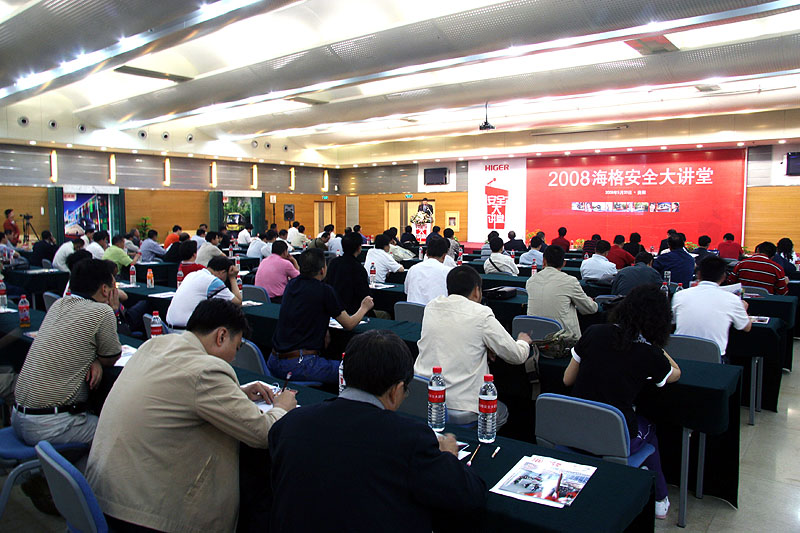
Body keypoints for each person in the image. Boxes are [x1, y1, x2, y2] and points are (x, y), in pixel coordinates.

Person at [86, 299, 296, 532]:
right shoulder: (206, 370)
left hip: (104, 497)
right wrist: (281, 407)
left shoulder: (154, 345)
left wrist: (237, 393)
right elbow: (263, 432)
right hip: (145, 515)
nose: (233, 359)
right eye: (235, 348)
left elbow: (182, 392)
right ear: (221, 336)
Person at [269, 330, 486, 533]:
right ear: (396, 390)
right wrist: (448, 456)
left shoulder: (289, 424)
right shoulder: (410, 439)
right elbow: (469, 494)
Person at [563, 285, 681, 520]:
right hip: (615, 438)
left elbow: (567, 380)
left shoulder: (593, 332)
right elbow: (675, 373)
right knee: (650, 430)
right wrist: (654, 345)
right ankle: (660, 499)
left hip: (574, 430)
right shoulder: (650, 354)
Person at [13, 258, 122, 445]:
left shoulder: (59, 304)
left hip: (18, 417)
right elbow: (111, 356)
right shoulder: (102, 312)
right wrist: (113, 311)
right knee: (120, 434)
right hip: (51, 424)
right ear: (105, 290)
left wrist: (94, 359)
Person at [415, 266, 534, 426]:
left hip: (425, 396)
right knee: (501, 412)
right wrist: (523, 342)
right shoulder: (481, 314)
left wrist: (485, 345)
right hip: (461, 404)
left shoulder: (431, 306)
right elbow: (516, 356)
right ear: (477, 291)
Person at [269, 249, 375, 383]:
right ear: (322, 270)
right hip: (301, 364)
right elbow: (349, 324)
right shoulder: (324, 291)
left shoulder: (291, 285)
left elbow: (306, 311)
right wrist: (364, 307)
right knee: (357, 371)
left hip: (273, 361)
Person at [673, 255, 752, 358]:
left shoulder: (679, 295)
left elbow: (672, 321)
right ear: (723, 277)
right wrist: (743, 309)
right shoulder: (732, 299)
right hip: (713, 359)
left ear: (698, 275)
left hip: (679, 356)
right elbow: (746, 327)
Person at [527, 245, 598, 339]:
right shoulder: (570, 281)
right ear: (564, 263)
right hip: (563, 341)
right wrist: (591, 301)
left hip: (536, 338)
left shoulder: (531, 281)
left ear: (544, 261)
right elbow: (590, 308)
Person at [166, 256, 242, 329]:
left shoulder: (192, 275)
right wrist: (232, 277)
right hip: (186, 330)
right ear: (222, 272)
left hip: (169, 326)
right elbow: (238, 303)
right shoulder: (213, 281)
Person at [326, 233, 371, 315]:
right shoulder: (358, 268)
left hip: (332, 308)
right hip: (354, 311)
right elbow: (364, 295)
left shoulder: (333, 262)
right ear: (359, 248)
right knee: (384, 315)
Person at [404, 236, 452, 305]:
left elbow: (406, 291)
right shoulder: (448, 272)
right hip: (436, 311)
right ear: (444, 256)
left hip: (413, 311)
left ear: (426, 253)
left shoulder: (413, 269)